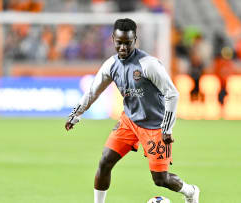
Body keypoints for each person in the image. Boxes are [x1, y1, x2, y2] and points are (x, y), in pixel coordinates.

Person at [64, 18, 200, 203]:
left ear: (135, 40)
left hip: (155, 126)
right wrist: (76, 114)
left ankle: (191, 191)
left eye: (127, 43)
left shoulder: (148, 64)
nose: (123, 48)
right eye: (119, 43)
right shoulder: (111, 65)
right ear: (113, 39)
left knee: (161, 179)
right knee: (105, 162)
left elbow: (172, 94)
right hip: (129, 122)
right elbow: (92, 92)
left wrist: (167, 128)